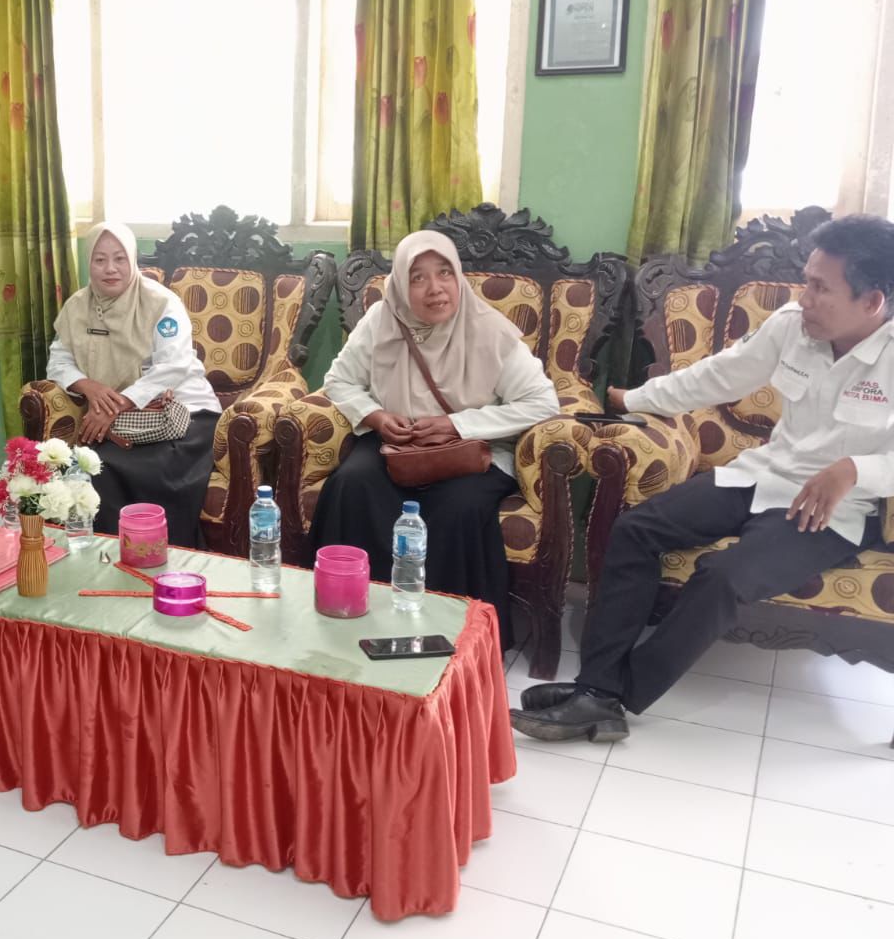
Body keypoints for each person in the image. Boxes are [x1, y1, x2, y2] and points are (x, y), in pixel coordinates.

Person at [513, 214, 894, 743]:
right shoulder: (793, 324)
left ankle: (607, 696)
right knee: (635, 529)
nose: (803, 297)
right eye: (806, 281)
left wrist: (855, 470)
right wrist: (632, 399)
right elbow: (719, 376)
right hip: (764, 472)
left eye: (819, 288)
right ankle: (596, 690)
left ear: (871, 301)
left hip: (833, 509)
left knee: (723, 577)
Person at [311, 231, 558, 641]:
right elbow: (339, 380)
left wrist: (457, 424)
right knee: (351, 484)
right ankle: (351, 611)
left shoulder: (489, 331)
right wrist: (376, 416)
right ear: (400, 285)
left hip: (472, 449)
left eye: (444, 273)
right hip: (397, 444)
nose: (435, 288)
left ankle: (450, 634)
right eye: (418, 277)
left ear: (458, 276)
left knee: (458, 507)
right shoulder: (381, 321)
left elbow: (542, 403)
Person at [46, 222, 221, 547]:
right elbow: (58, 361)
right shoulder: (77, 307)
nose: (110, 269)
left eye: (119, 258)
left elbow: (174, 365)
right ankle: (107, 557)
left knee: (151, 468)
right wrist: (89, 387)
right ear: (88, 262)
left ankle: (164, 554)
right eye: (99, 260)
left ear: (133, 260)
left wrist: (116, 403)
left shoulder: (160, 303)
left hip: (184, 414)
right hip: (120, 419)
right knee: (93, 467)